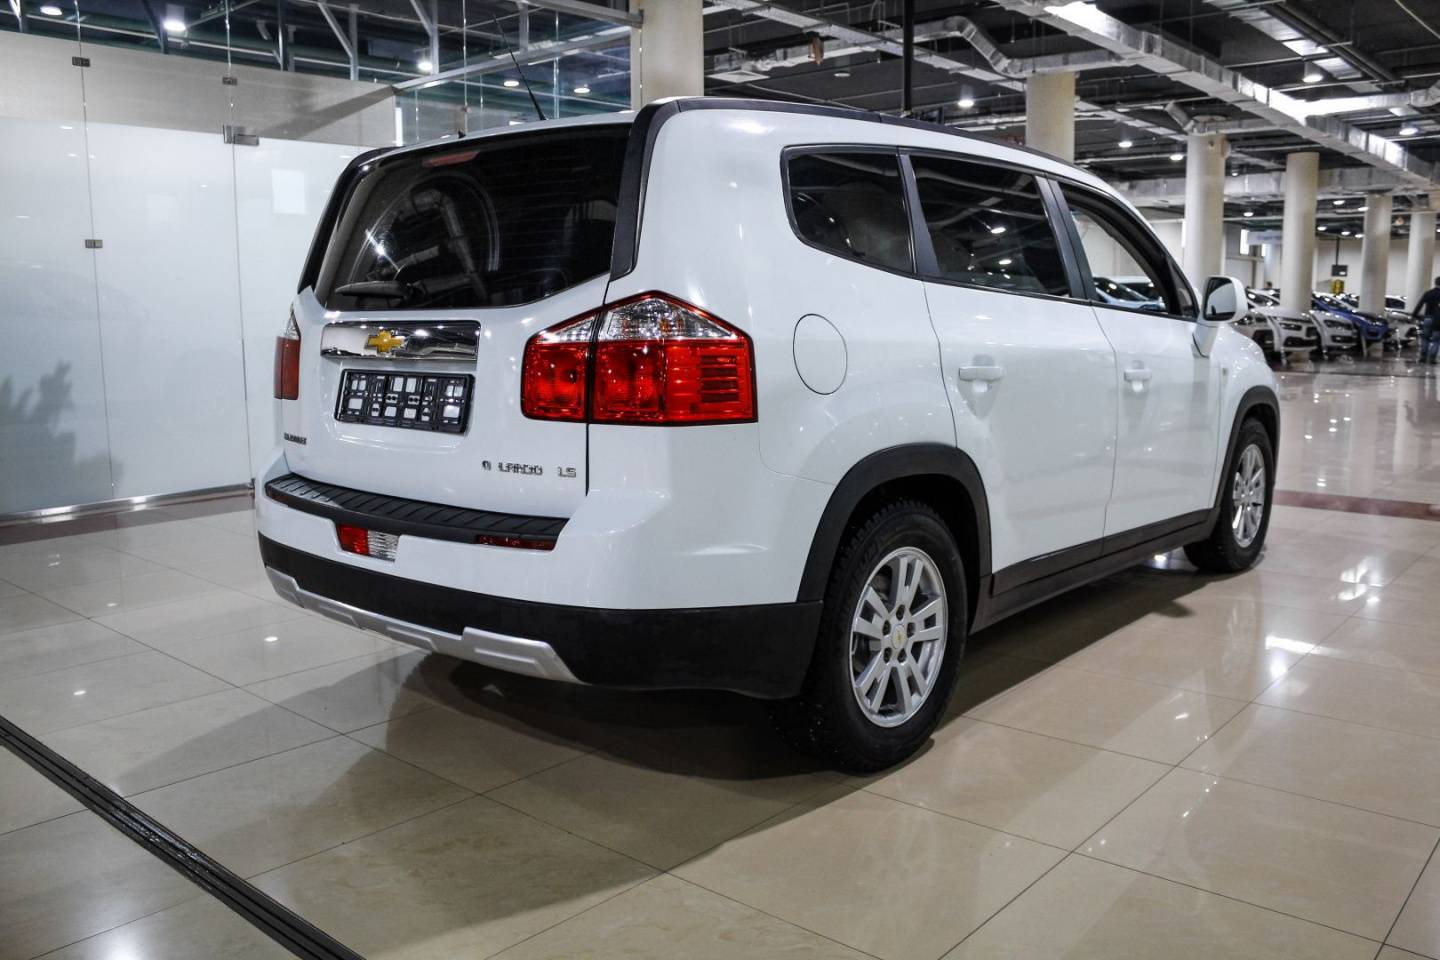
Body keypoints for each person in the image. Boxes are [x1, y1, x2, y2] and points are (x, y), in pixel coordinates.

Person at [1414, 276, 1440, 365]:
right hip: (1438, 320)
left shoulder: (1428, 293)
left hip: (1428, 318)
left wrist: (1415, 315)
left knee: (1425, 338)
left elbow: (1419, 305)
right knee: (1436, 340)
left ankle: (1423, 357)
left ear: (1435, 283)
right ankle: (1432, 358)